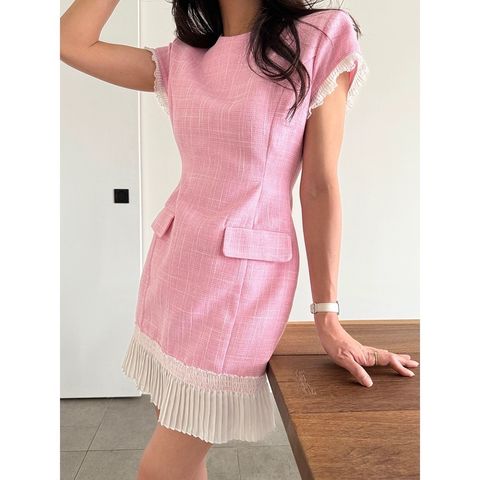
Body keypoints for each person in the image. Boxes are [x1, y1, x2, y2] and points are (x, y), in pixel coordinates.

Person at [60, 1, 420, 479]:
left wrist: (327, 317)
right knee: (180, 444)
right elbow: (70, 42)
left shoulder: (319, 37)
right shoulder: (183, 59)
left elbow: (318, 186)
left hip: (239, 285)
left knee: (161, 469)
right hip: (173, 270)